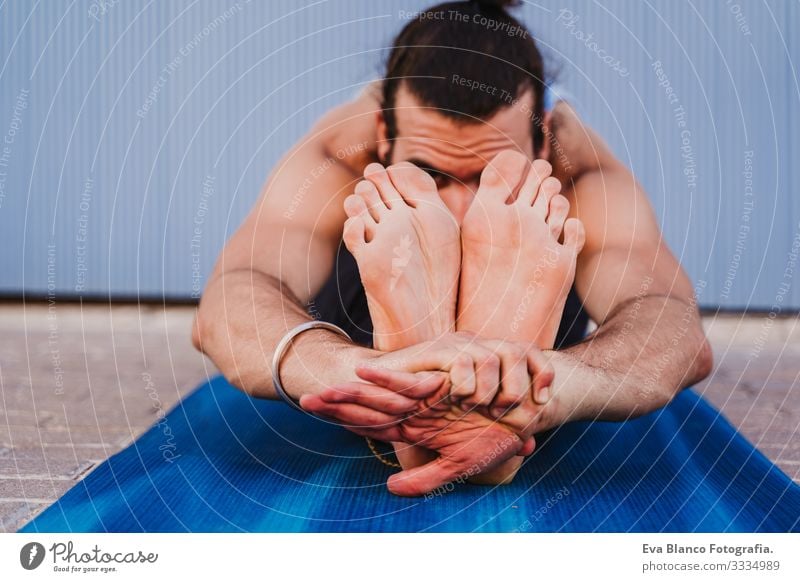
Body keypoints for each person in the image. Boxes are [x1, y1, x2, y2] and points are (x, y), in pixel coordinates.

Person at [191, 0, 712, 496]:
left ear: (543, 139)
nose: (460, 213)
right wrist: (356, 372)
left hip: (532, 332)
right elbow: (231, 298)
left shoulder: (588, 180)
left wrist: (553, 386)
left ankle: (472, 391)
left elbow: (672, 327)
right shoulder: (336, 159)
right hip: (363, 329)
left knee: (538, 231)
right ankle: (455, 377)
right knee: (387, 230)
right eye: (428, 174)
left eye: (489, 175)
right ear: (382, 135)